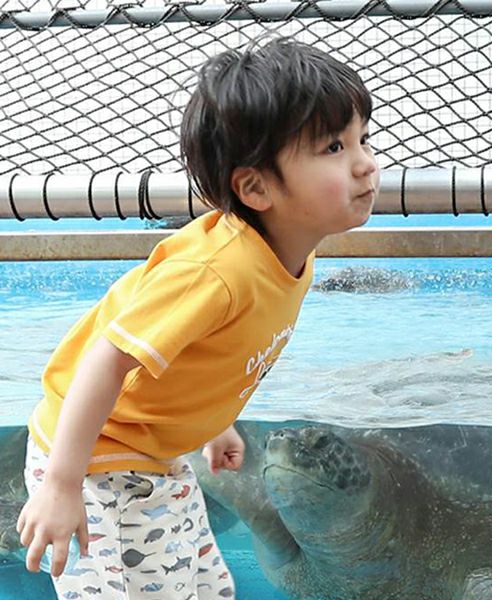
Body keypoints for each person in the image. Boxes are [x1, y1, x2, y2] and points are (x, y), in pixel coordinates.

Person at [17, 36, 379, 599]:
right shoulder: (215, 272)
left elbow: (210, 353)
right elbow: (106, 359)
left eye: (363, 138)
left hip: (154, 456)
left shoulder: (290, 259)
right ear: (255, 187)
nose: (365, 163)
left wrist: (213, 422)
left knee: (205, 587)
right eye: (334, 147)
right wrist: (62, 485)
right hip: (93, 460)